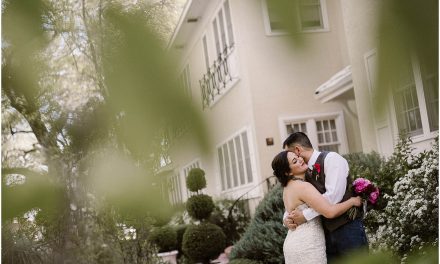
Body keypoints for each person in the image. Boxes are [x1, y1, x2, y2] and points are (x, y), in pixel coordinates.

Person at [282, 132, 368, 262]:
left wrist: (305, 215)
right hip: (324, 236)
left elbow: (333, 198)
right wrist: (287, 218)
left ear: (298, 150)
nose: (292, 158)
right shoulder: (302, 173)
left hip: (347, 229)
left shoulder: (331, 159)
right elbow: (298, 199)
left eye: (292, 155)